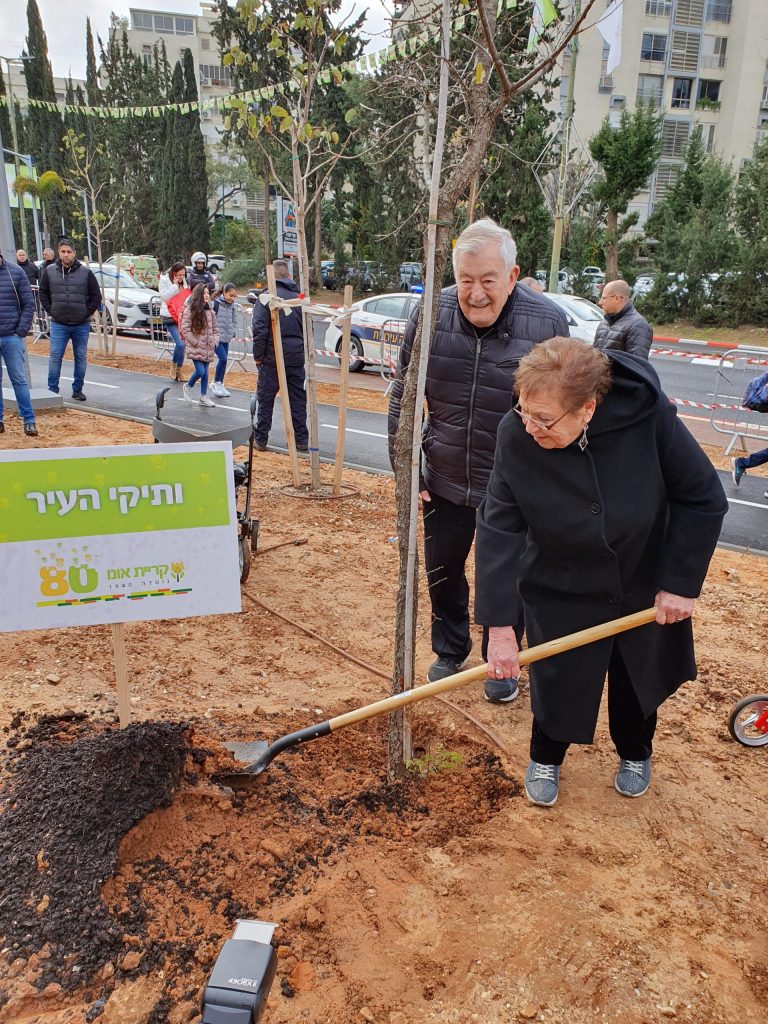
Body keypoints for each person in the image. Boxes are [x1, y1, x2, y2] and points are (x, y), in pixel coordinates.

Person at [475, 337, 727, 806]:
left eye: (544, 420)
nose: (530, 427)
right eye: (523, 411)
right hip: (560, 581)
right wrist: (500, 624)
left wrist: (679, 583)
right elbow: (498, 526)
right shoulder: (518, 432)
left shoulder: (648, 419)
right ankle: (546, 756)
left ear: (587, 409)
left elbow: (703, 497)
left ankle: (636, 751)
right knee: (558, 677)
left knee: (636, 679)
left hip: (641, 580)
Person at [388, 218, 569, 702]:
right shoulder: (431, 313)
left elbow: (567, 409)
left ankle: (502, 660)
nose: (476, 293)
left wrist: (552, 484)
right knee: (443, 568)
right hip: (443, 476)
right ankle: (450, 648)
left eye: (489, 279)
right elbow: (402, 398)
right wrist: (407, 470)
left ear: (512, 276)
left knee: (510, 577)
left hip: (513, 489)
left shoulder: (547, 324)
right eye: (466, 280)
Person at [251, 259, 309, 452]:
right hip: (296, 357)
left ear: (271, 277)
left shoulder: (267, 297)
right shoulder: (299, 298)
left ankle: (261, 439)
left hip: (272, 357)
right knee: (297, 400)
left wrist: (258, 356)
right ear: (288, 277)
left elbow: (259, 329)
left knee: (266, 399)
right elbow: (308, 330)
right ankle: (301, 440)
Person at [39, 237, 100, 402]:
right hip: (59, 324)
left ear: (74, 253)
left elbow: (96, 296)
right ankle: (52, 390)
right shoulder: (49, 271)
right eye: (63, 252)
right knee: (55, 357)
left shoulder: (86, 272)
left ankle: (78, 389)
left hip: (81, 324)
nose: (66, 255)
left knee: (80, 358)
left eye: (69, 252)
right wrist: (52, 311)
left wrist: (86, 312)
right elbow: (43, 293)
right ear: (59, 252)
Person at [0, 250, 38, 437]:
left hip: (11, 337)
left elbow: (28, 303)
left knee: (19, 380)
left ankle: (29, 420)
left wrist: (20, 330)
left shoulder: (15, 272)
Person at [181, 283, 219, 408]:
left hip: (208, 347)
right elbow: (185, 330)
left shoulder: (210, 311)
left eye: (208, 293)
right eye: (204, 293)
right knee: (200, 371)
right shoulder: (190, 310)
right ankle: (188, 386)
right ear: (198, 295)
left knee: (206, 373)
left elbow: (215, 328)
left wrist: (214, 341)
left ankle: (203, 396)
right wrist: (196, 342)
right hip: (196, 347)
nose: (207, 295)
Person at [595, 279, 653, 359]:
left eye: (604, 298)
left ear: (617, 299)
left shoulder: (638, 326)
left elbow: (636, 366)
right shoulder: (605, 322)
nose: (600, 302)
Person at [158, 261, 188, 381]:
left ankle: (179, 371)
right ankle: (174, 366)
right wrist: (175, 286)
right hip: (169, 316)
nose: (181, 277)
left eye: (183, 275)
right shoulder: (164, 280)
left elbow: (185, 296)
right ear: (174, 273)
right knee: (180, 343)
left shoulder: (184, 282)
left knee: (184, 344)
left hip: (181, 315)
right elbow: (164, 297)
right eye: (179, 275)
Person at [211, 282, 238, 398]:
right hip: (216, 337)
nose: (232, 298)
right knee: (222, 358)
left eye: (234, 296)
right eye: (230, 296)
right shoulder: (215, 303)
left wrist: (233, 330)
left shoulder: (232, 305)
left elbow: (234, 319)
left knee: (225, 361)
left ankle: (221, 383)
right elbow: (210, 319)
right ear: (224, 293)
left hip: (226, 336)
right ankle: (215, 382)